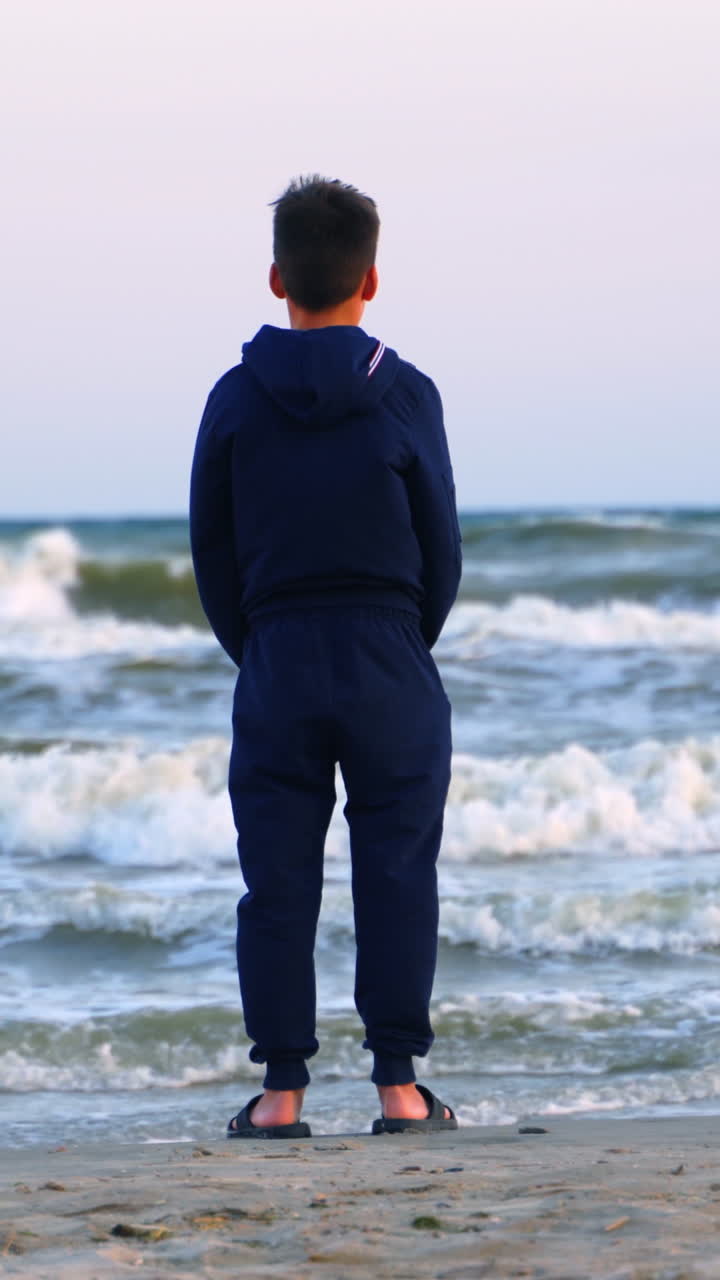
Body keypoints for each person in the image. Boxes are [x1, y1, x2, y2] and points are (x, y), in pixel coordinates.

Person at [190, 175, 462, 1138]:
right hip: (388, 649)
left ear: (277, 277)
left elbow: (211, 553)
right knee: (396, 870)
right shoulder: (405, 393)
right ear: (371, 279)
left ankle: (280, 1095)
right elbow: (442, 549)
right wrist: (399, 642)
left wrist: (259, 646)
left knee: (276, 879)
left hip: (277, 654)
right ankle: (397, 1088)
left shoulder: (232, 399)